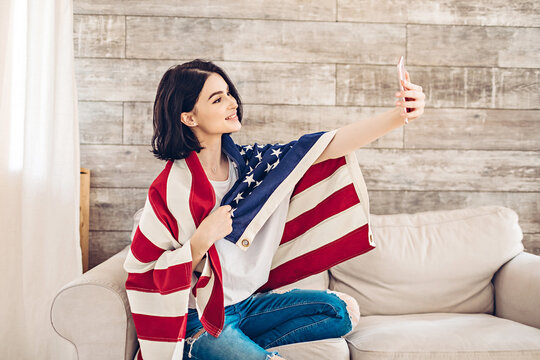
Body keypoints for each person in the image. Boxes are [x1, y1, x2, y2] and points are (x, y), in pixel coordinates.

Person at [124, 59, 426, 360]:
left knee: (342, 311)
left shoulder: (252, 168)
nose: (232, 104)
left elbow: (324, 147)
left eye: (229, 93)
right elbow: (145, 274)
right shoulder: (170, 190)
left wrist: (400, 116)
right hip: (200, 318)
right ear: (189, 118)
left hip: (245, 305)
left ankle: (223, 349)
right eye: (218, 99)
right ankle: (201, 345)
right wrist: (201, 240)